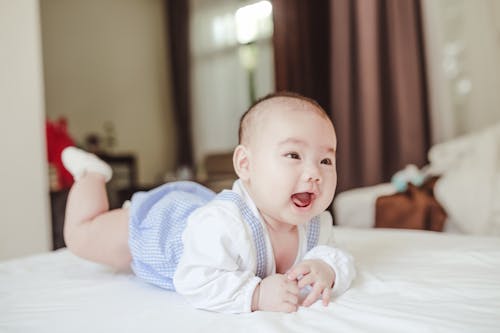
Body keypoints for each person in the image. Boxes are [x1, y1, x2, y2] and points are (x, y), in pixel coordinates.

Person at [62, 91, 356, 314]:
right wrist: (255, 295)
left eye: (326, 160)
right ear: (246, 165)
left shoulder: (317, 223)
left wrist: (326, 268)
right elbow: (193, 279)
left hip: (202, 211)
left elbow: (337, 256)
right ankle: (91, 174)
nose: (314, 173)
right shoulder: (223, 224)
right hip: (163, 229)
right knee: (81, 235)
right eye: (293, 155)